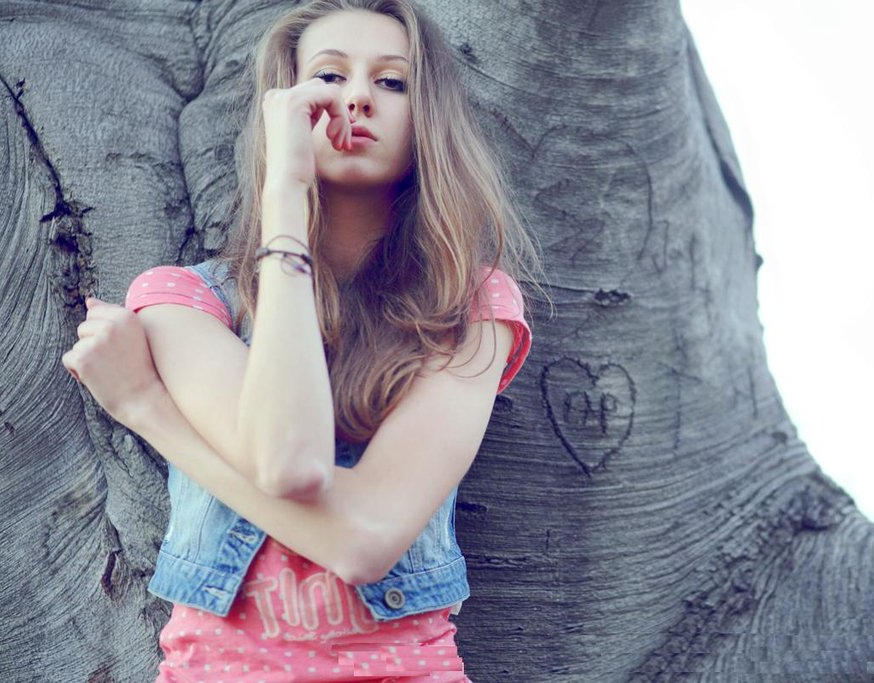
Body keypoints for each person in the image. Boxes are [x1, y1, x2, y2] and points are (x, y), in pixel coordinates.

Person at [60, 0, 542, 680]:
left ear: (428, 117)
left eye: (392, 81)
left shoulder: (470, 305)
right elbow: (286, 458)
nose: (356, 99)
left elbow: (361, 542)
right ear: (280, 108)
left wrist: (149, 410)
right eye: (328, 77)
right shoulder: (184, 301)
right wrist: (285, 196)